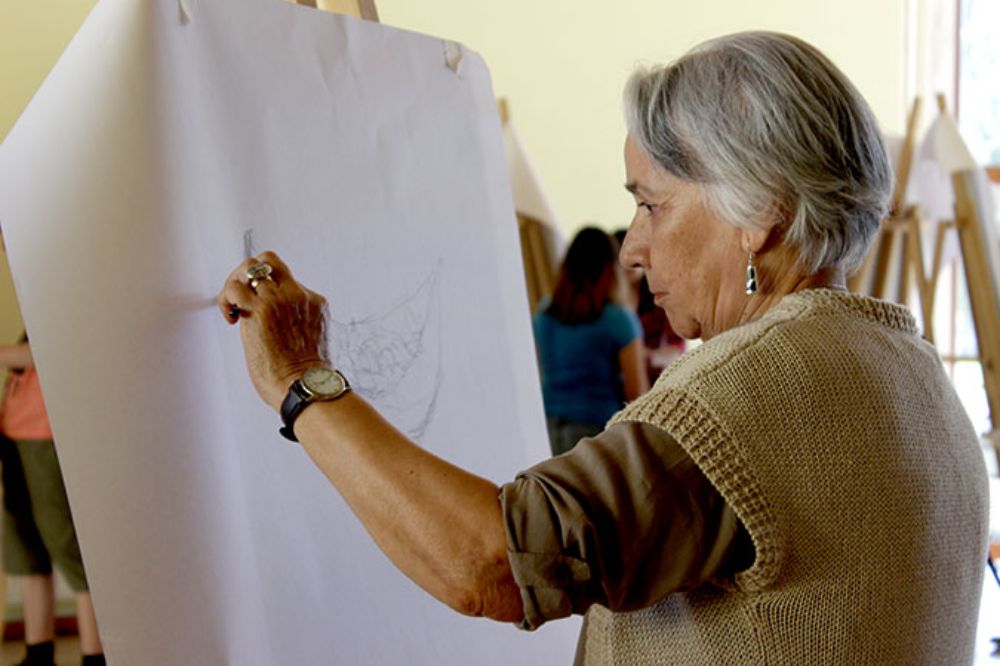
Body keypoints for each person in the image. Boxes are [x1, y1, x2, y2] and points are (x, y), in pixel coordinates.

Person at [219, 31, 989, 664]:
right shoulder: (912, 369)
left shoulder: (750, 394)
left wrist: (300, 379)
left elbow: (491, 563)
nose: (632, 249)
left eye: (652, 205)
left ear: (759, 211)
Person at [0, 337, 104, 666]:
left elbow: (45, 351)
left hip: (46, 436)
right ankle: (38, 651)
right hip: (14, 435)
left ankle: (94, 654)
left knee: (67, 545)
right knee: (26, 550)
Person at [534, 227, 647, 455]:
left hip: (548, 429)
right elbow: (637, 395)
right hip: (596, 432)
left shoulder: (544, 314)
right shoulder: (619, 320)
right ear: (611, 269)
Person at [613, 228, 686, 386]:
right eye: (620, 258)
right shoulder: (607, 306)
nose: (628, 264)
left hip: (653, 382)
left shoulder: (659, 299)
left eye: (635, 257)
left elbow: (677, 348)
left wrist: (651, 357)